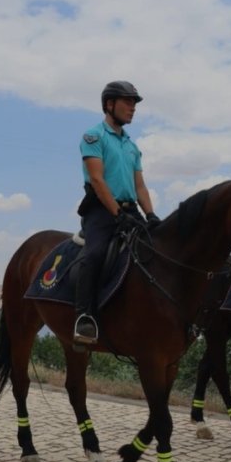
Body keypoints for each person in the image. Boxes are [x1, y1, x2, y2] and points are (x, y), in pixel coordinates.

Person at [73, 81, 161, 350]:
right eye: (128, 101)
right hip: (101, 210)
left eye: (135, 103)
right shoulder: (93, 137)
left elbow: (140, 186)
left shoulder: (132, 147)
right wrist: (115, 213)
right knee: (95, 254)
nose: (133, 107)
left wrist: (151, 215)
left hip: (131, 210)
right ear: (109, 104)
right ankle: (84, 316)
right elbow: (98, 181)